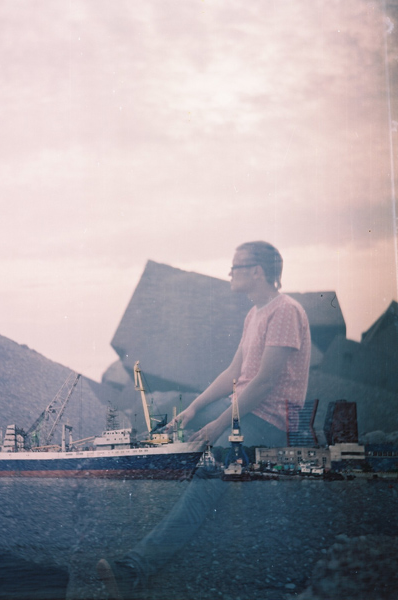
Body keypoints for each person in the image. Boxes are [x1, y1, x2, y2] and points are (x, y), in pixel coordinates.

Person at [96, 241, 311, 599]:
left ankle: (133, 570)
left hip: (268, 422)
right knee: (175, 427)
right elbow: (233, 372)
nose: (230, 273)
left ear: (257, 271)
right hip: (243, 409)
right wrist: (194, 409)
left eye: (236, 266)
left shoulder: (285, 311)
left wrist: (219, 424)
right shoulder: (255, 313)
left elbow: (263, 383)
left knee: (205, 482)